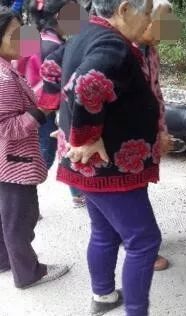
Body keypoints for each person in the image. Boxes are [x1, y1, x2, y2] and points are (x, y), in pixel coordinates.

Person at [38, 0, 161, 314]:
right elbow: (88, 84)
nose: (149, 20)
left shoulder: (84, 33)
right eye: (146, 12)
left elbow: (51, 66)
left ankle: (104, 296)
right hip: (111, 169)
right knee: (144, 240)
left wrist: (62, 119)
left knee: (104, 230)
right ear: (123, 9)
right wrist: (83, 134)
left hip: (89, 168)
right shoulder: (114, 46)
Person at [0, 6, 69, 289]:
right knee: (21, 220)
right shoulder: (3, 79)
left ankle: (5, 261)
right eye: (14, 35)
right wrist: (40, 112)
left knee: (6, 217)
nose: (22, 40)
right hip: (13, 161)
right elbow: (5, 128)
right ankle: (28, 273)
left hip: (7, 162)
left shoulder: (8, 67)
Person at [28, 0, 87, 208]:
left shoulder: (36, 38)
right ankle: (23, 193)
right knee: (48, 149)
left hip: (35, 106)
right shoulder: (55, 46)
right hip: (45, 108)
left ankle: (78, 193)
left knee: (60, 147)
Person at [138, 0, 174, 272]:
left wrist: (162, 130)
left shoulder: (150, 51)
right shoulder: (122, 50)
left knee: (139, 189)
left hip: (144, 135)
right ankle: (143, 248)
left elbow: (157, 95)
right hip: (122, 141)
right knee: (131, 196)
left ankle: (136, 240)